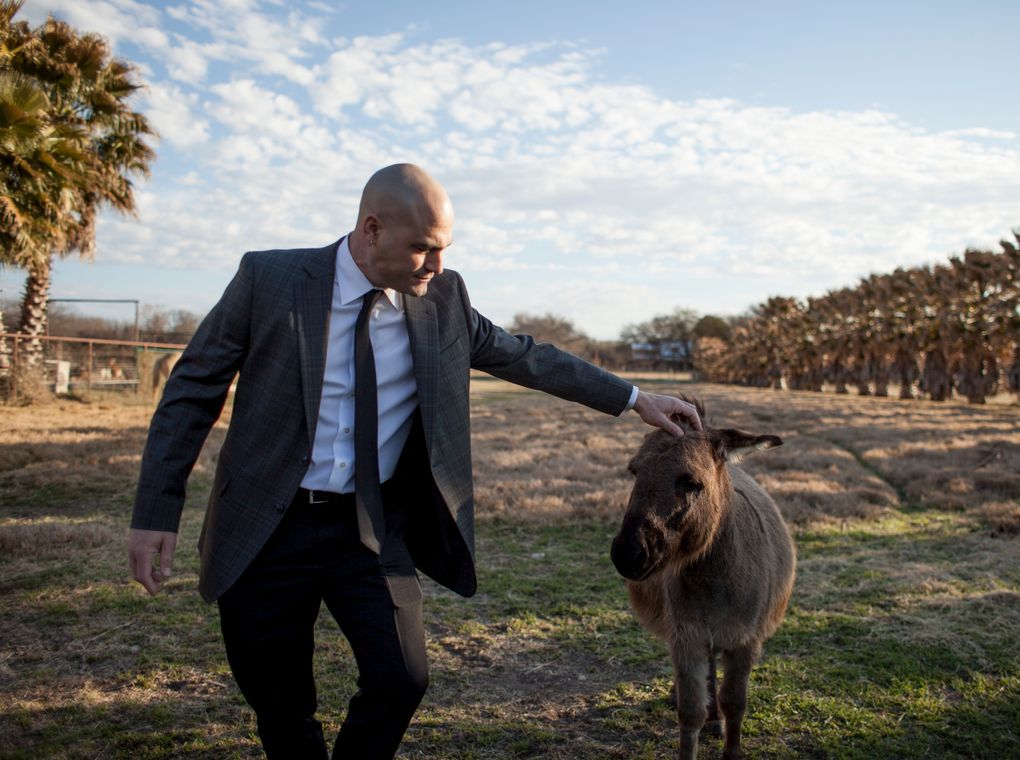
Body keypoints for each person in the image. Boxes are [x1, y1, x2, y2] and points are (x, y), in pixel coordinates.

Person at [128, 163, 701, 759]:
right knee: (280, 704)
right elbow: (192, 389)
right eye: (424, 249)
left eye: (445, 249)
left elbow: (529, 358)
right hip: (266, 528)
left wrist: (636, 399)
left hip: (371, 528)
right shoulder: (269, 278)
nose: (437, 266)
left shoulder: (443, 301)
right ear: (372, 230)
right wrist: (155, 511)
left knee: (403, 678)